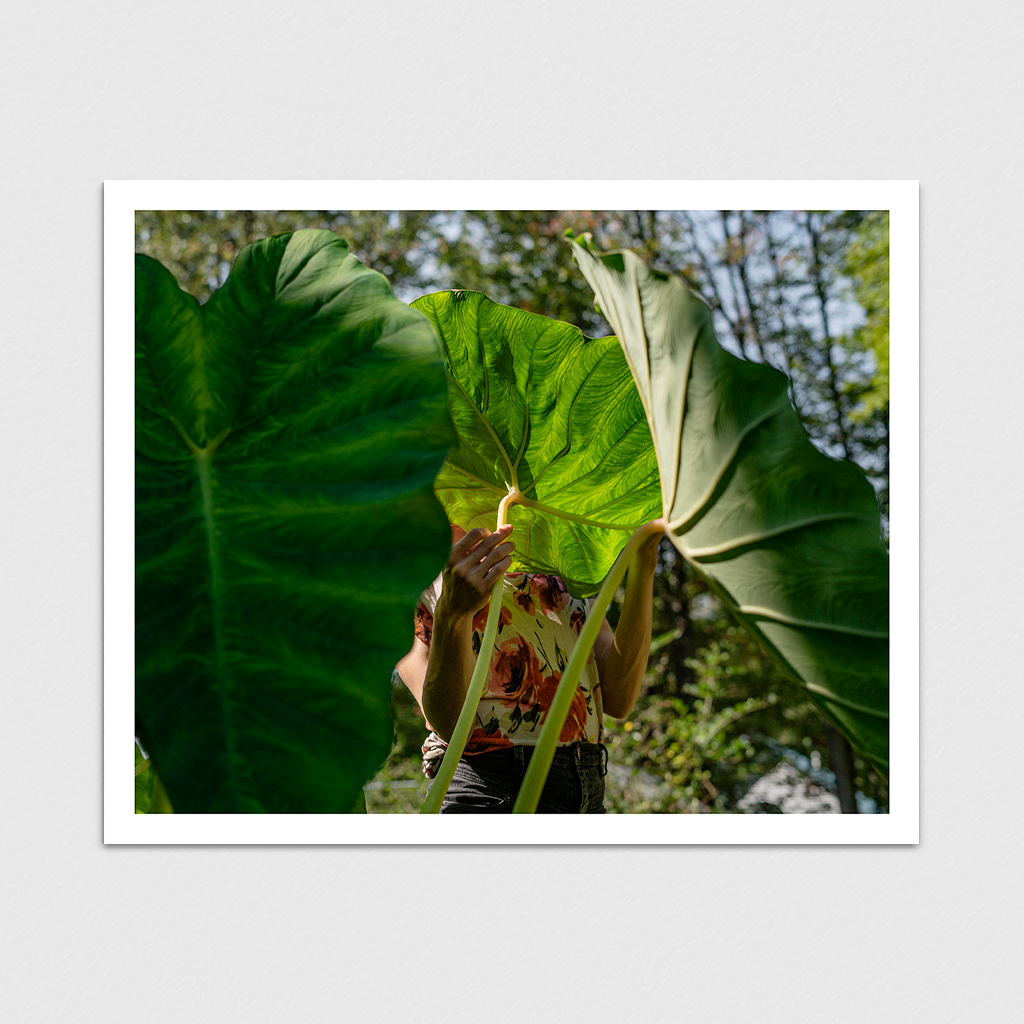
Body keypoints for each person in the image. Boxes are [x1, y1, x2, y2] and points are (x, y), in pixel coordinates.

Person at [396, 522, 660, 813]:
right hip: (488, 787)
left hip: (586, 782)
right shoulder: (419, 564)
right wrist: (454, 613)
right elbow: (452, 725)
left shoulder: (560, 558)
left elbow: (618, 698)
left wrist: (645, 559)